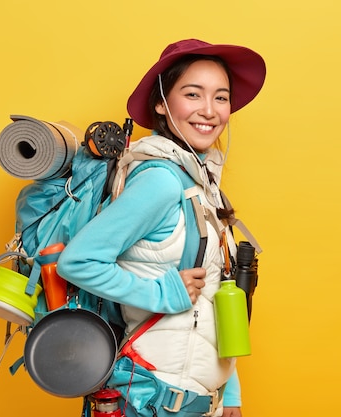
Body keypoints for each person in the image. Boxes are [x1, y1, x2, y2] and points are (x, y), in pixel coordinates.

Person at [57, 39, 266, 417]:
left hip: (196, 400)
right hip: (152, 397)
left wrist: (228, 390)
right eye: (192, 94)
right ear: (161, 104)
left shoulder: (203, 187)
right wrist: (161, 293)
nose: (209, 110)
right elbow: (78, 261)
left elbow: (213, 297)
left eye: (221, 97)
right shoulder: (161, 181)